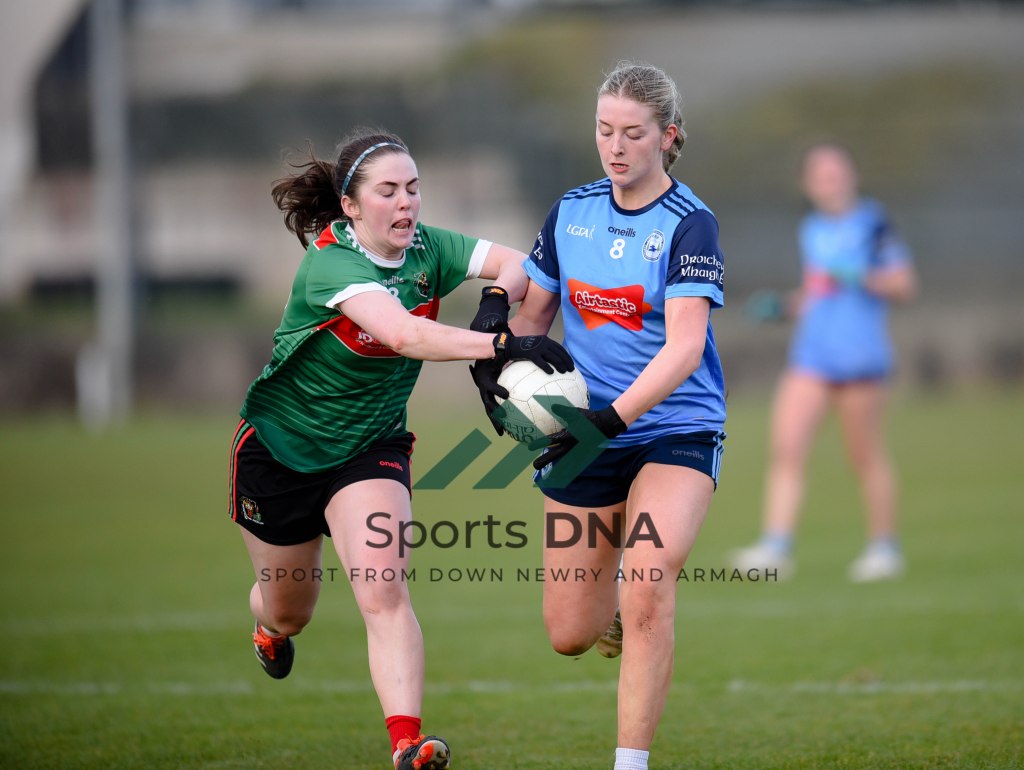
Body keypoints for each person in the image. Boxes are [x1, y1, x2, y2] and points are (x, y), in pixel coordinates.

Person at [228, 128, 572, 770]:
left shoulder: (428, 248)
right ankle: (268, 626)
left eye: (413, 188)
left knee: (384, 592)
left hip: (370, 448)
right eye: (387, 191)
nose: (406, 202)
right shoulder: (332, 264)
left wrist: (495, 301)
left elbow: (521, 260)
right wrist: (501, 345)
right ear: (351, 206)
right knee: (290, 609)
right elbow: (403, 334)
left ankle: (406, 744)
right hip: (279, 450)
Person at [471, 61, 726, 770]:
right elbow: (534, 317)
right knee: (569, 634)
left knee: (648, 583)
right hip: (583, 431)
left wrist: (611, 421)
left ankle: (630, 761)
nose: (615, 146)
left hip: (674, 426)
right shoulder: (572, 212)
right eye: (604, 130)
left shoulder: (690, 224)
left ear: (667, 136)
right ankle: (611, 611)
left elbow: (684, 349)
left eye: (633, 133)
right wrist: (497, 356)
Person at [730, 143, 917, 582]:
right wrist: (784, 306)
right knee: (787, 448)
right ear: (807, 185)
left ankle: (885, 548)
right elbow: (818, 292)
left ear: (852, 175)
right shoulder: (811, 228)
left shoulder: (873, 223)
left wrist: (861, 275)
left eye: (837, 172)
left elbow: (904, 285)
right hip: (812, 356)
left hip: (860, 359)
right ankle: (776, 548)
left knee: (865, 455)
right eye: (821, 175)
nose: (831, 181)